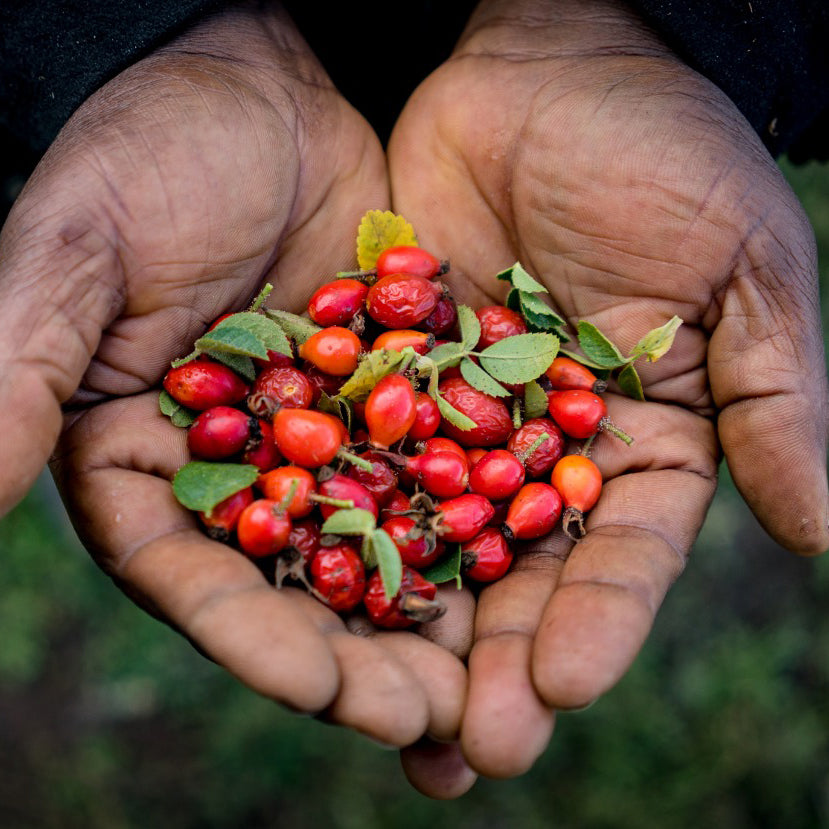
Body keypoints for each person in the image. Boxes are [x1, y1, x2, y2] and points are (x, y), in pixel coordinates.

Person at [1, 0, 827, 801]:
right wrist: (130, 34)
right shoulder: (340, 398)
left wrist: (666, 24)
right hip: (218, 219)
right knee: (117, 412)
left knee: (127, 415)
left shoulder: (429, 416)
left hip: (503, 103)